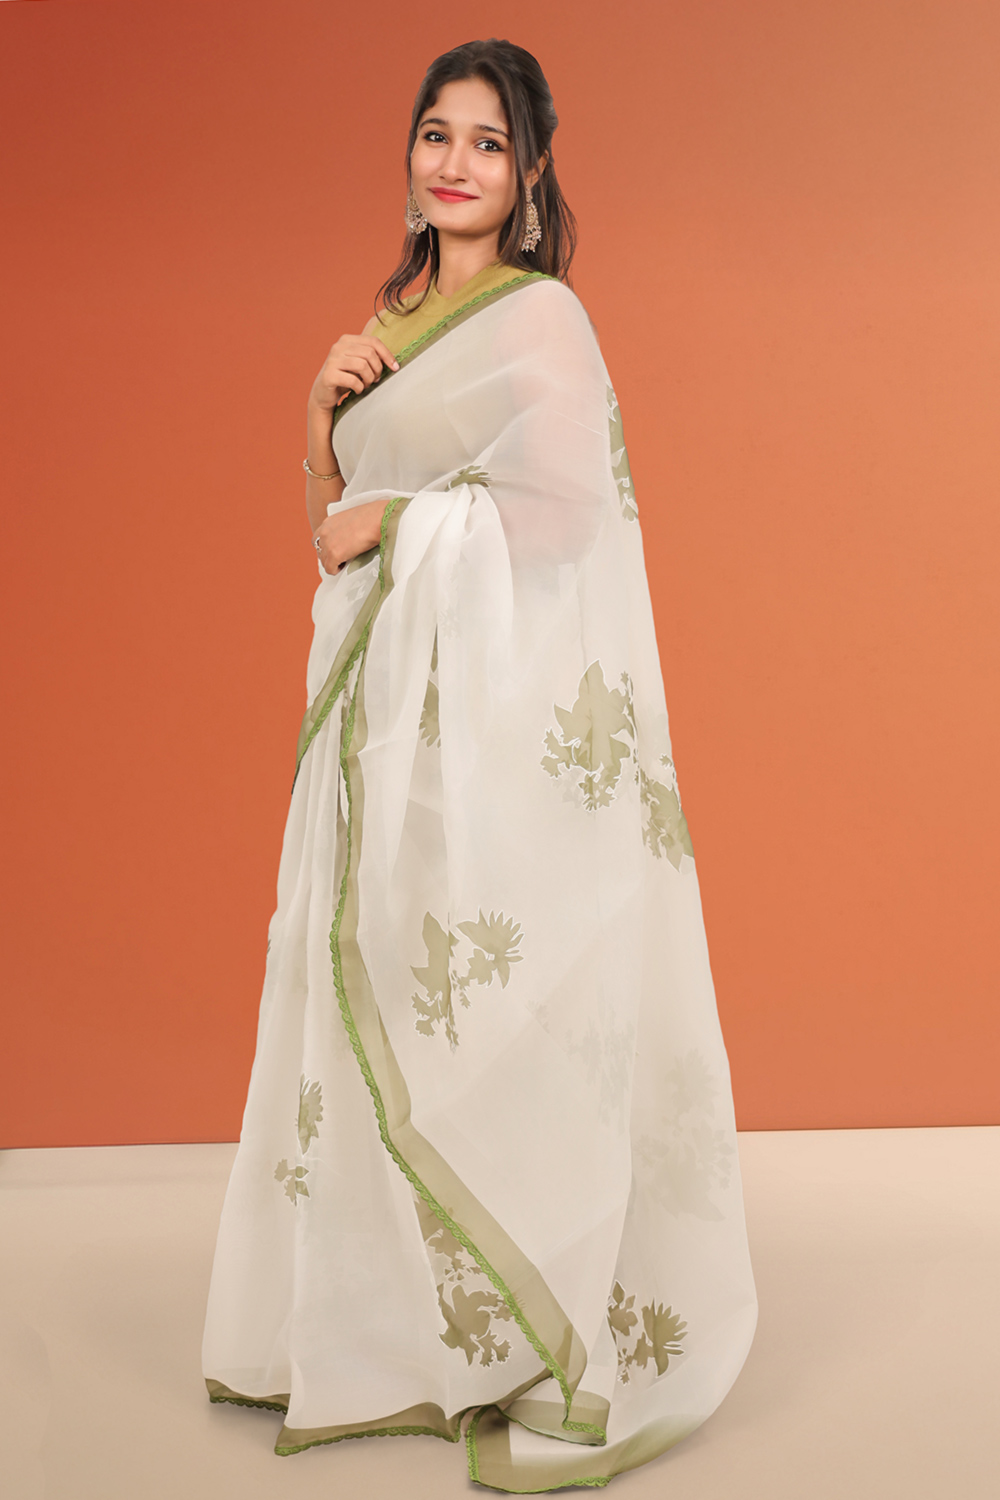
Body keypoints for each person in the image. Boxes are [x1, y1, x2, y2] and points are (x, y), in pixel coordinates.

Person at [201, 37, 757, 1493]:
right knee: (375, 995)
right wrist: (318, 423)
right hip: (375, 722)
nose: (455, 163)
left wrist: (399, 520)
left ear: (530, 174)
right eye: (435, 134)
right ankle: (400, 1338)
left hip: (484, 732)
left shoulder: (541, 317)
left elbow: (566, 518)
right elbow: (330, 545)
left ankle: (535, 1322)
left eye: (488, 143)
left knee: (484, 1011)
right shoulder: (391, 322)